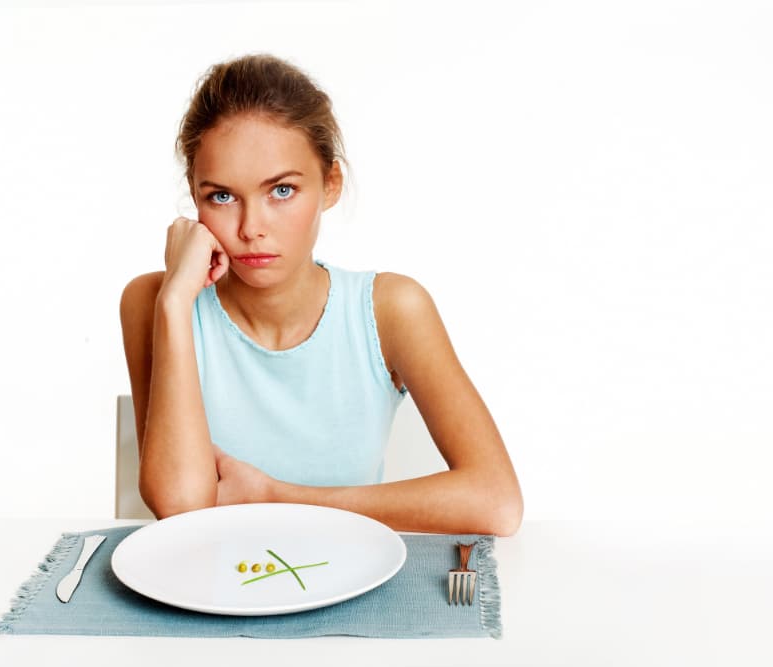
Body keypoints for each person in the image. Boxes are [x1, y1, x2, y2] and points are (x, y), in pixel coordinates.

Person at [120, 53, 522, 536]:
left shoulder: (391, 309)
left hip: (354, 588)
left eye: (282, 191)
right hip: (210, 591)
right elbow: (181, 509)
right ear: (194, 195)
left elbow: (497, 502)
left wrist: (278, 498)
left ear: (330, 185)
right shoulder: (154, 302)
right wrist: (174, 301)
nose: (251, 229)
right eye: (221, 197)